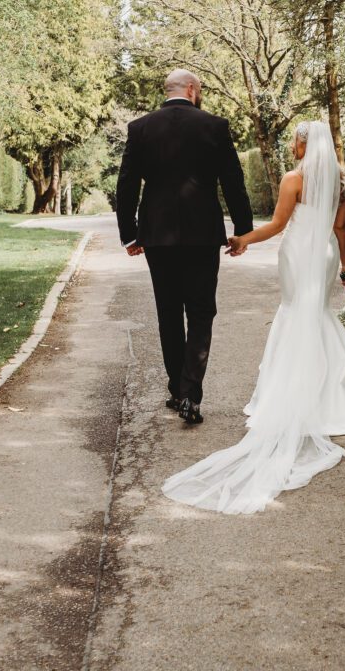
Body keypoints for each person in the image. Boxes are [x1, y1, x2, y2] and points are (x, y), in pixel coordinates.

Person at [162, 120, 345, 514]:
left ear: (303, 145)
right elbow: (340, 228)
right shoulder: (340, 183)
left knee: (297, 314)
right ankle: (338, 396)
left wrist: (244, 239)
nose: (292, 149)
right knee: (317, 317)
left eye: (294, 143)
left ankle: (295, 397)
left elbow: (279, 225)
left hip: (298, 253)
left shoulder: (293, 180)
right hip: (326, 254)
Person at [116, 68, 253, 424]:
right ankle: (191, 392)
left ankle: (178, 391)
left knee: (168, 311)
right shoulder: (214, 126)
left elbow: (127, 185)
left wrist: (129, 234)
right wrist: (243, 230)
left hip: (157, 236)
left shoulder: (140, 128)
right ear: (192, 90)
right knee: (202, 310)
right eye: (201, 90)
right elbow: (233, 182)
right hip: (202, 234)